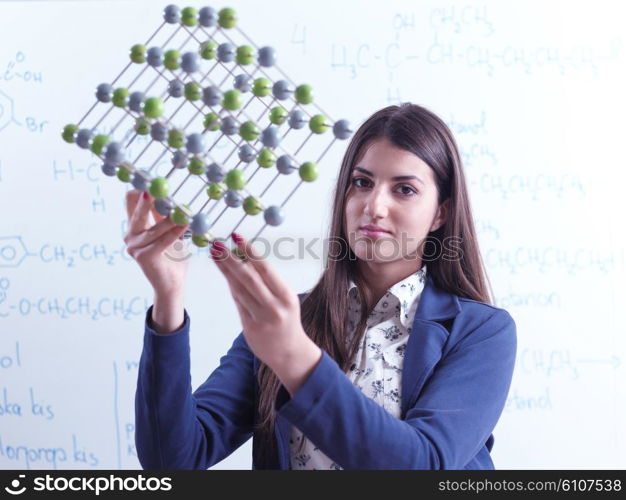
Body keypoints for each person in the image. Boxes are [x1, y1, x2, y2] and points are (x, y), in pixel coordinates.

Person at [127, 102, 517, 470]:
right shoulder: (283, 322)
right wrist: (168, 299)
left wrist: (294, 356)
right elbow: (172, 459)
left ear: (441, 213)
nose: (373, 206)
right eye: (362, 182)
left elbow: (423, 465)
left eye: (405, 189)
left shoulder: (481, 332)